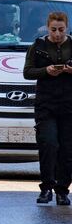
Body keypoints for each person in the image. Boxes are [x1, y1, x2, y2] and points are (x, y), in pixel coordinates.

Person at [23, 11, 72, 205]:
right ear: (47, 28)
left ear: (67, 28)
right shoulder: (38, 46)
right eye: (54, 30)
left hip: (69, 105)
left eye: (61, 30)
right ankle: (46, 188)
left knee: (67, 150)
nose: (57, 34)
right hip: (46, 105)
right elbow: (27, 72)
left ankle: (62, 190)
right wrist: (46, 71)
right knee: (49, 145)